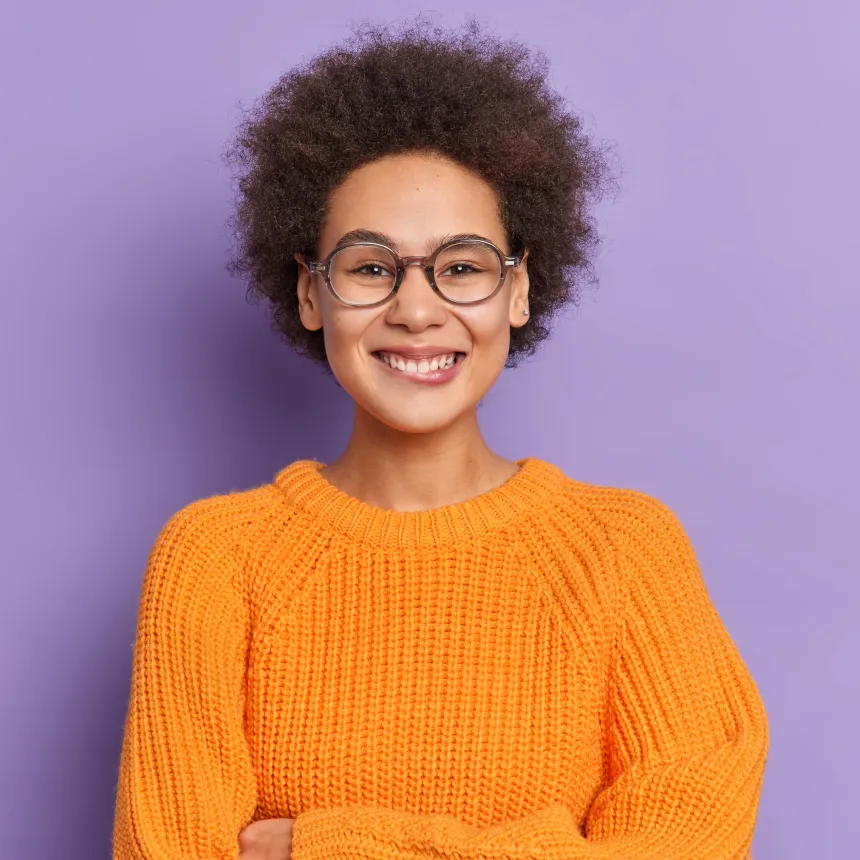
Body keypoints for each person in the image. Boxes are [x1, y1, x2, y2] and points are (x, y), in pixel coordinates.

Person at [111, 18, 769, 860]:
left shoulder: (626, 552)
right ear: (312, 296)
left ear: (518, 290)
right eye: (369, 266)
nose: (417, 310)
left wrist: (327, 845)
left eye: (460, 265)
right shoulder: (213, 559)